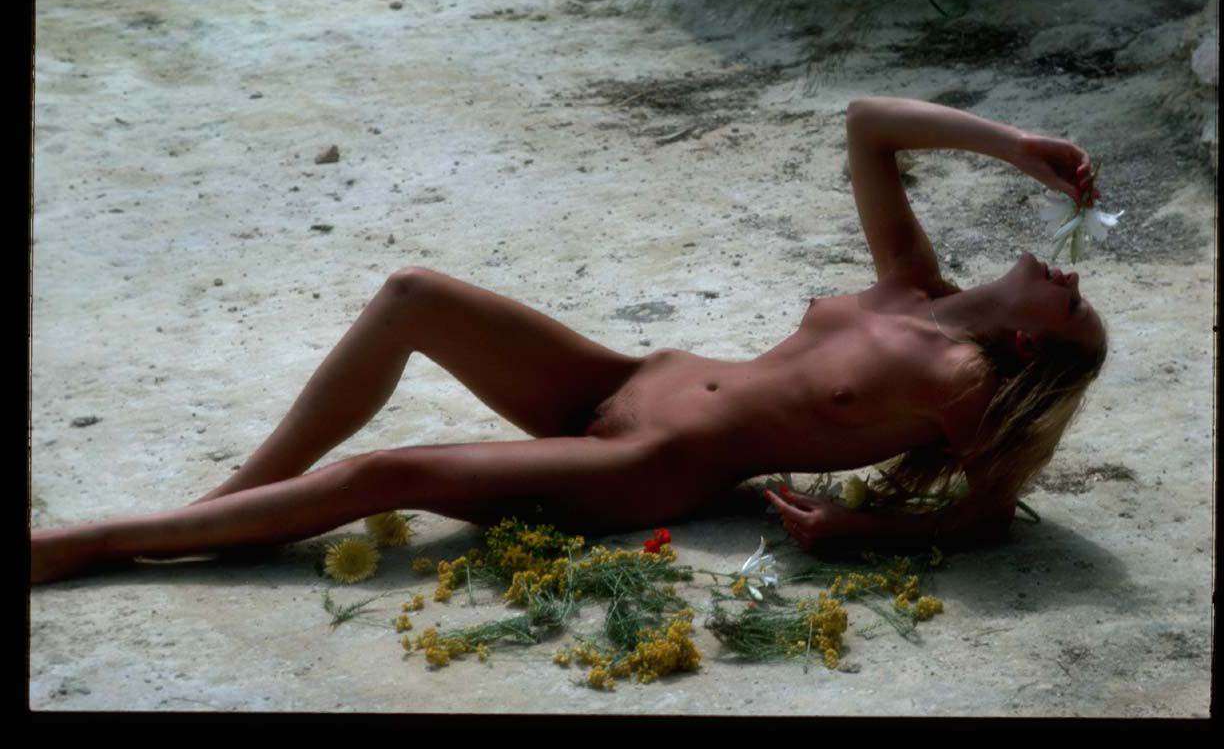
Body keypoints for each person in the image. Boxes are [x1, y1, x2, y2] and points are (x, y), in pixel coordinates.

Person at [30, 97, 1107, 584]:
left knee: (388, 473)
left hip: (647, 465)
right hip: (624, 381)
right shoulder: (912, 286)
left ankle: (100, 542)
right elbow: (867, 122)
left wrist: (859, 532)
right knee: (412, 294)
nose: (1068, 276)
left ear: (1027, 347)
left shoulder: (962, 377)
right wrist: (1010, 144)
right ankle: (229, 511)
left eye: (1071, 306)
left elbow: (986, 514)